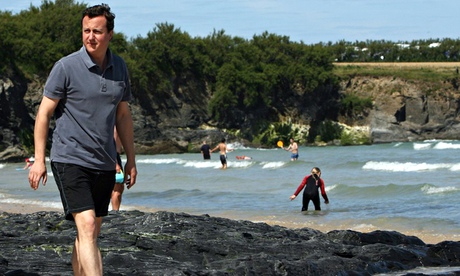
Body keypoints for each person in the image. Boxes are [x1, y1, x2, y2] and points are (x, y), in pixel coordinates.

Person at [28, 4, 137, 275]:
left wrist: (130, 160)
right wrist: (39, 160)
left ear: (110, 34)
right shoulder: (65, 67)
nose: (90, 36)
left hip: (104, 163)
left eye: (97, 31)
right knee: (87, 225)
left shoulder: (120, 68)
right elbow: (44, 113)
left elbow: (123, 116)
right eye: (86, 31)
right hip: (70, 158)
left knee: (89, 231)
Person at [111, 127, 124, 211]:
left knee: (115, 187)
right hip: (113, 156)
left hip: (112, 155)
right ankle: (115, 211)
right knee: (117, 188)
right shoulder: (115, 124)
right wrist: (115, 163)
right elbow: (111, 143)